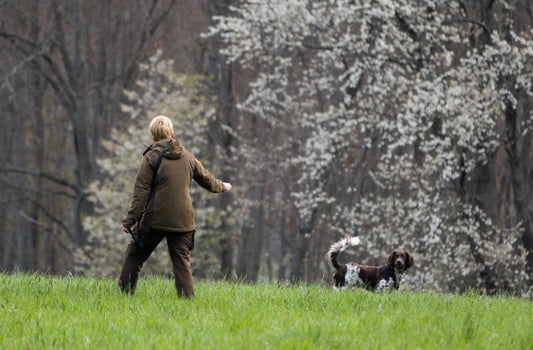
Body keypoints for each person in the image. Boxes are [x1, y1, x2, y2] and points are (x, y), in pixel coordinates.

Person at [119, 115, 232, 298]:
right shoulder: (188, 157)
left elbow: (140, 194)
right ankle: (187, 301)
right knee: (181, 262)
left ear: (154, 138)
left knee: (135, 255)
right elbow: (208, 180)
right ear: (172, 133)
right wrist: (223, 186)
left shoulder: (150, 158)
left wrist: (129, 221)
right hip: (184, 221)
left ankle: (123, 295)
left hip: (155, 219)